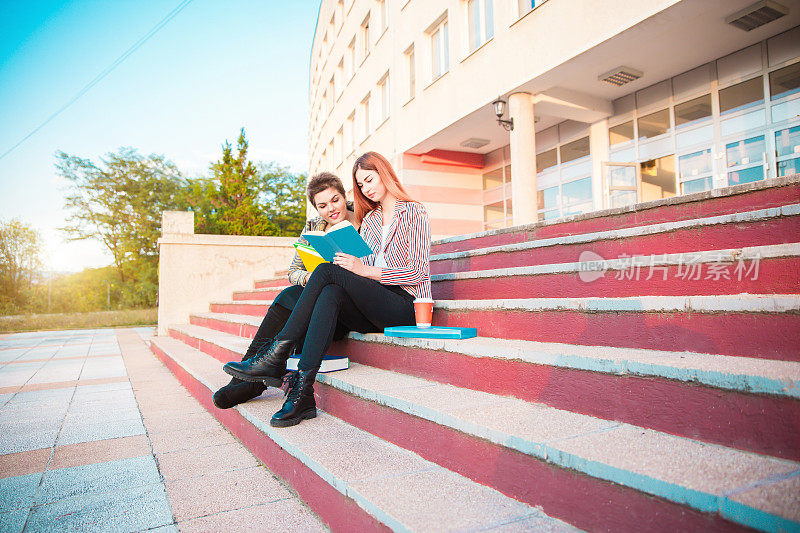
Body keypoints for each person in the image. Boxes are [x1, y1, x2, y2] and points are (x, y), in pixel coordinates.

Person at [223, 151, 431, 427]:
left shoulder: (414, 211)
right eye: (361, 185)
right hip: (372, 303)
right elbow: (358, 269)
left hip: (405, 304)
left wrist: (362, 270)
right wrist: (351, 268)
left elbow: (417, 271)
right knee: (321, 289)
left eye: (369, 180)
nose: (366, 189)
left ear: (385, 174)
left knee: (326, 273)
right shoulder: (370, 219)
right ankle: (302, 394)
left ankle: (275, 357)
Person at [212, 172, 357, 409]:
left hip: (345, 301)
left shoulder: (364, 217)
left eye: (335, 200)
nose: (331, 209)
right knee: (287, 296)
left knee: (309, 297)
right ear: (316, 209)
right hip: (319, 290)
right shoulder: (314, 227)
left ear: (344, 196)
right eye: (322, 205)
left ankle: (258, 375)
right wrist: (312, 276)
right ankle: (247, 377)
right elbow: (293, 272)